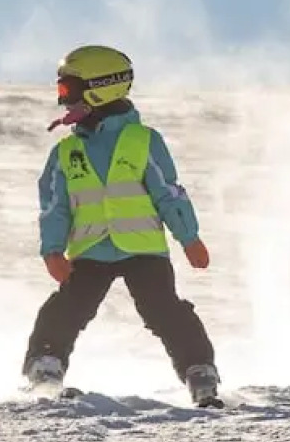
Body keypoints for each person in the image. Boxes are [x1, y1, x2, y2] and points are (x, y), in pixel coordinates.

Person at [20, 45, 222, 407]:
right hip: (90, 250)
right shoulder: (66, 152)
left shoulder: (143, 141)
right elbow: (55, 207)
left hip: (143, 248)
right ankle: (45, 367)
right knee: (66, 309)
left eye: (69, 90)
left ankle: (199, 372)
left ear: (102, 88)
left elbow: (169, 193)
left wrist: (189, 238)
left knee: (164, 310)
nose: (63, 100)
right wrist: (52, 250)